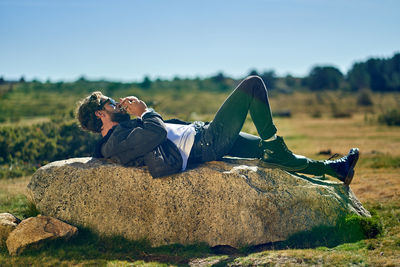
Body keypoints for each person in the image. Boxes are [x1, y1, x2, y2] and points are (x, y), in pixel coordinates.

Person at [77, 76, 359, 184]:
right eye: (110, 102)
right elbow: (156, 133)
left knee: (269, 152)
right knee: (252, 85)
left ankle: (335, 170)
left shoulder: (120, 132)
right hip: (205, 144)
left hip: (204, 134)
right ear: (100, 114)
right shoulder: (112, 144)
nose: (116, 103)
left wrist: (140, 115)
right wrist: (145, 111)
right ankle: (275, 145)